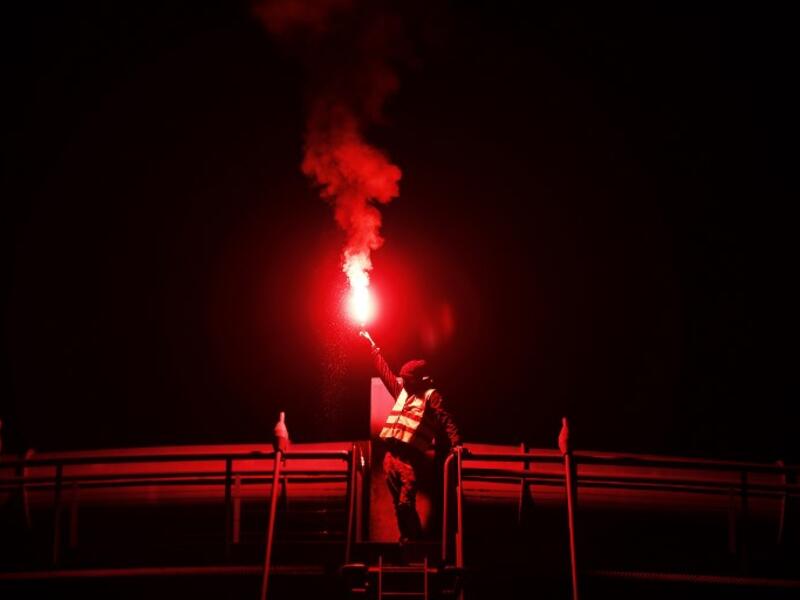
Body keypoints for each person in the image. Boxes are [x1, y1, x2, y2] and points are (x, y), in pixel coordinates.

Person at [360, 330, 463, 544]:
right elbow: (386, 374)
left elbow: (446, 419)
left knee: (406, 503)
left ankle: (415, 540)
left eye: (408, 380)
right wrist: (372, 347)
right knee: (399, 505)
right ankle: (406, 539)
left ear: (420, 380)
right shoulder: (404, 394)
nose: (403, 383)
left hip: (409, 459)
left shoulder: (431, 396)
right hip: (390, 457)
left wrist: (457, 444)